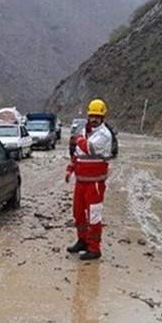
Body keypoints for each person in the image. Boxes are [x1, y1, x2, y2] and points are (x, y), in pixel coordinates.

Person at [65, 99, 112, 260]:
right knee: (78, 214)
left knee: (94, 216)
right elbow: (78, 154)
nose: (94, 119)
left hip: (95, 183)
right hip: (81, 181)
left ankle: (94, 248)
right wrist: (70, 169)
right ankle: (82, 241)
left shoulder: (104, 134)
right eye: (92, 115)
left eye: (97, 116)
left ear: (103, 117)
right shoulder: (85, 131)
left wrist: (78, 139)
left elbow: (88, 147)